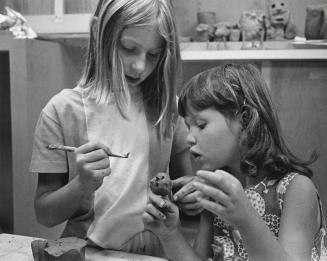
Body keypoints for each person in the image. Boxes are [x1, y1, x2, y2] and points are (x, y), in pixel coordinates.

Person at [29, 0, 199, 257]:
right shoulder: (61, 111)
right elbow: (45, 214)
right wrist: (82, 185)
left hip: (154, 253)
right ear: (99, 32)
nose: (140, 66)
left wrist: (191, 197)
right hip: (91, 252)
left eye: (153, 55)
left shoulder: (167, 109)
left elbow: (183, 190)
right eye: (129, 48)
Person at [143, 63, 327, 261]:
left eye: (201, 125)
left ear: (245, 121)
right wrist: (169, 234)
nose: (189, 138)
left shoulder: (296, 189)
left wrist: (244, 217)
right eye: (188, 126)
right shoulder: (216, 193)